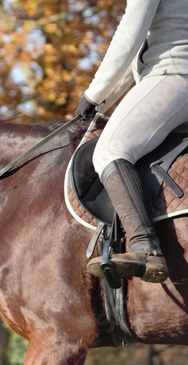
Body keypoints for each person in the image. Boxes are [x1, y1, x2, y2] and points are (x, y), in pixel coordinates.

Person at [75, 0, 188, 283]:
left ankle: (144, 246)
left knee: (110, 150)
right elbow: (141, 48)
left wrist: (93, 93)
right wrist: (102, 100)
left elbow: (131, 31)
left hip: (175, 73)